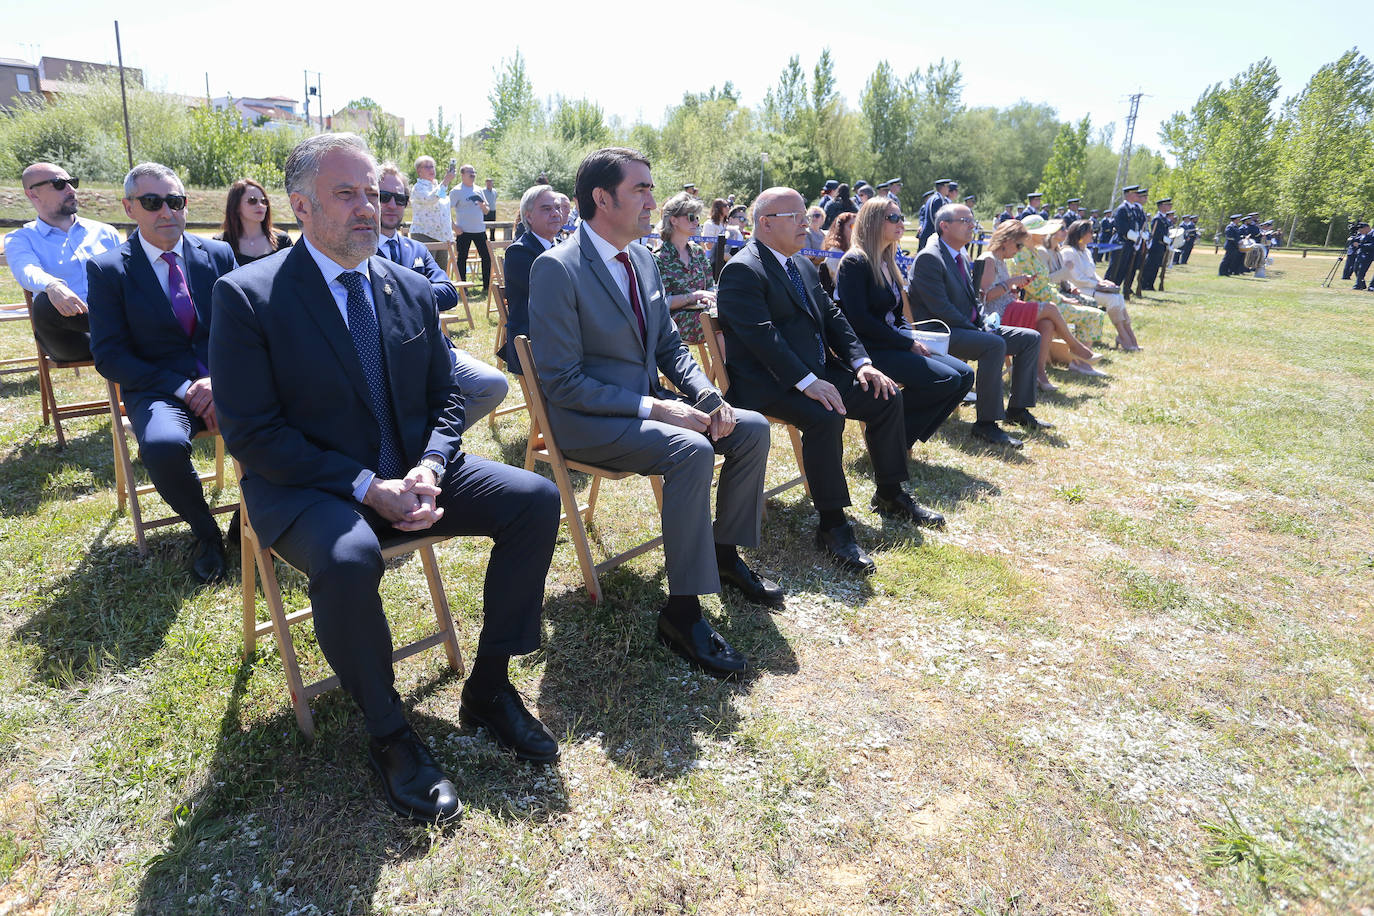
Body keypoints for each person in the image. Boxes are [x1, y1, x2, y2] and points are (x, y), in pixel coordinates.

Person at [210, 133, 562, 823]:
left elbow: (447, 399)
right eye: (348, 194)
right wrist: (369, 486)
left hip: (412, 471)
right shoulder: (247, 296)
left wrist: (431, 463)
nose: (368, 207)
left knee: (534, 498)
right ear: (301, 206)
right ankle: (389, 731)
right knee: (349, 559)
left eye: (373, 193)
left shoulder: (405, 286)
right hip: (306, 485)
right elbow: (254, 435)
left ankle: (488, 687)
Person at [529, 147, 780, 680]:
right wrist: (658, 406)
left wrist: (705, 395)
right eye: (641, 189)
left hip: (643, 410)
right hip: (585, 421)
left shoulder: (642, 256)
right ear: (602, 198)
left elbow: (669, 345)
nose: (653, 200)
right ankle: (682, 614)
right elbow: (562, 382)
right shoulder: (557, 268)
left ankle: (724, 554)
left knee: (750, 427)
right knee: (690, 449)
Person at [718, 186, 936, 577]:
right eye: (795, 216)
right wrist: (806, 382)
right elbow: (762, 338)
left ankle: (890, 492)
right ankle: (832, 525)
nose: (806, 222)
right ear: (766, 223)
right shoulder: (742, 269)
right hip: (767, 383)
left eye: (805, 214)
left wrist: (861, 363)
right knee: (825, 414)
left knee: (884, 395)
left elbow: (833, 316)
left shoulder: (799, 263)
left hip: (816, 373)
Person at [86, 163, 238, 581]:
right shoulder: (108, 269)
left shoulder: (218, 254)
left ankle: (244, 525)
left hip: (222, 378)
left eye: (175, 201)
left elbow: (244, 328)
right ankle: (207, 533)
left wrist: (219, 380)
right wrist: (184, 386)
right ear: (129, 208)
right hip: (157, 387)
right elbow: (110, 356)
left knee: (293, 414)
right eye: (152, 202)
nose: (166, 212)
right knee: (163, 446)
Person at [836, 198, 974, 454]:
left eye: (901, 217)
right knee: (946, 379)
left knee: (965, 376)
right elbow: (860, 321)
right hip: (870, 350)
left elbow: (895, 315)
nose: (901, 223)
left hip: (894, 342)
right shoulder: (854, 263)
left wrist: (911, 338)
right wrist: (907, 343)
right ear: (873, 221)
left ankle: (897, 439)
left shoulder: (887, 262)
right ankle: (888, 441)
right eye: (893, 218)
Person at [375, 163, 509, 424]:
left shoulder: (416, 250)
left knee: (493, 385)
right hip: (388, 360)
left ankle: (431, 443)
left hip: (434, 349)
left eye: (400, 198)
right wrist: (420, 290)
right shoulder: (359, 252)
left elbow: (449, 294)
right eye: (383, 197)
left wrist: (398, 294)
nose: (393, 204)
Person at [907, 204, 1045, 448]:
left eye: (972, 220)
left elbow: (973, 301)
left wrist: (982, 321)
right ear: (944, 226)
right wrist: (977, 329)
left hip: (966, 328)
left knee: (1030, 338)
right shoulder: (930, 257)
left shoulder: (961, 255)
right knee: (993, 344)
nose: (972, 225)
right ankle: (986, 424)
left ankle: (1017, 409)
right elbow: (941, 309)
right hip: (942, 332)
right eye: (965, 220)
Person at [5, 162, 120, 362]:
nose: (71, 189)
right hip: (74, 339)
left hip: (116, 328)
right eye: (59, 184)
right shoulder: (21, 238)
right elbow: (26, 269)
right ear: (33, 194)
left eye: (72, 182)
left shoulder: (105, 232)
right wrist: (52, 286)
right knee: (43, 302)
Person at [1010, 217, 1105, 381]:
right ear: (1030, 234)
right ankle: (1080, 360)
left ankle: (1080, 360)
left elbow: (1045, 284)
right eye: (1040, 233)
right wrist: (1062, 299)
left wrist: (1060, 297)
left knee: (1094, 313)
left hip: (1047, 302)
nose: (1044, 236)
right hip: (1035, 305)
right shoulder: (1023, 255)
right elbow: (1036, 288)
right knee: (1094, 315)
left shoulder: (1033, 252)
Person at [499, 184, 562, 373]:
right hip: (534, 342)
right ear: (528, 216)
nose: (555, 213)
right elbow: (553, 297)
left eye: (557, 207)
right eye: (546, 209)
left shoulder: (563, 246)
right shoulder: (519, 252)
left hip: (562, 335)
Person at [1060, 219, 1140, 351]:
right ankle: (1124, 337)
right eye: (1090, 232)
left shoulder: (1085, 251)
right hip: (1077, 289)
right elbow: (1077, 278)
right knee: (1113, 299)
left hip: (1089, 287)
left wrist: (1102, 281)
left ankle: (1129, 336)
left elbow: (1091, 273)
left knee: (1119, 298)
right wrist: (1097, 285)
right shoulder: (1068, 252)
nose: (1093, 234)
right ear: (1081, 234)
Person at [653, 191, 717, 346]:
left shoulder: (698, 252)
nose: (696, 222)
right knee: (724, 323)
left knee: (732, 317)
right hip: (675, 321)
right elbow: (663, 303)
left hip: (704, 313)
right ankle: (727, 370)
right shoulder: (659, 258)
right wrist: (694, 296)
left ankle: (725, 370)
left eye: (697, 217)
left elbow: (710, 287)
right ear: (673, 220)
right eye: (691, 217)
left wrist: (709, 299)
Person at [215, 178, 293, 267]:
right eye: (252, 200)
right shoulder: (220, 244)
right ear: (236, 206)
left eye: (264, 201)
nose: (260, 205)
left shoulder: (283, 241)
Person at [449, 164, 492, 289]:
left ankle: (486, 287)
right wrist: (454, 227)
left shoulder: (479, 190)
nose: (473, 175)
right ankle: (463, 288)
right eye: (470, 173)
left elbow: (487, 211)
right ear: (462, 175)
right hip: (463, 231)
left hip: (479, 230)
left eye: (474, 173)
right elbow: (445, 210)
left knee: (487, 257)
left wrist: (484, 206)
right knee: (462, 258)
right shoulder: (456, 191)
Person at [408, 156, 454, 273]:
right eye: (427, 167)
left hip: (441, 237)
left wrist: (449, 235)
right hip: (424, 235)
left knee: (441, 273)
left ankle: (439, 292)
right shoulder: (418, 188)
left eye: (432, 166)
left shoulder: (437, 187)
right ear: (419, 171)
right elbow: (431, 199)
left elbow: (444, 212)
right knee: (427, 273)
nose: (431, 169)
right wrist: (446, 181)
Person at [818, 210, 857, 296]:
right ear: (841, 229)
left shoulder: (857, 249)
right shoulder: (835, 252)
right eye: (853, 226)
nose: (857, 230)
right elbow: (841, 282)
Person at [1139, 198, 1174, 290]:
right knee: (1150, 266)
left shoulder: (1165, 219)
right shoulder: (1158, 218)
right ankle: (1144, 283)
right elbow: (1156, 234)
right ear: (1162, 206)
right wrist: (1164, 239)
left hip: (1162, 246)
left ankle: (1150, 284)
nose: (1170, 206)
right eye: (1168, 204)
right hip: (1156, 245)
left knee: (1156, 266)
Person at [917, 179, 955, 249]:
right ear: (942, 187)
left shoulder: (934, 197)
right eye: (947, 186)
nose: (948, 189)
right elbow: (936, 218)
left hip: (927, 232)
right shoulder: (938, 199)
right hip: (931, 233)